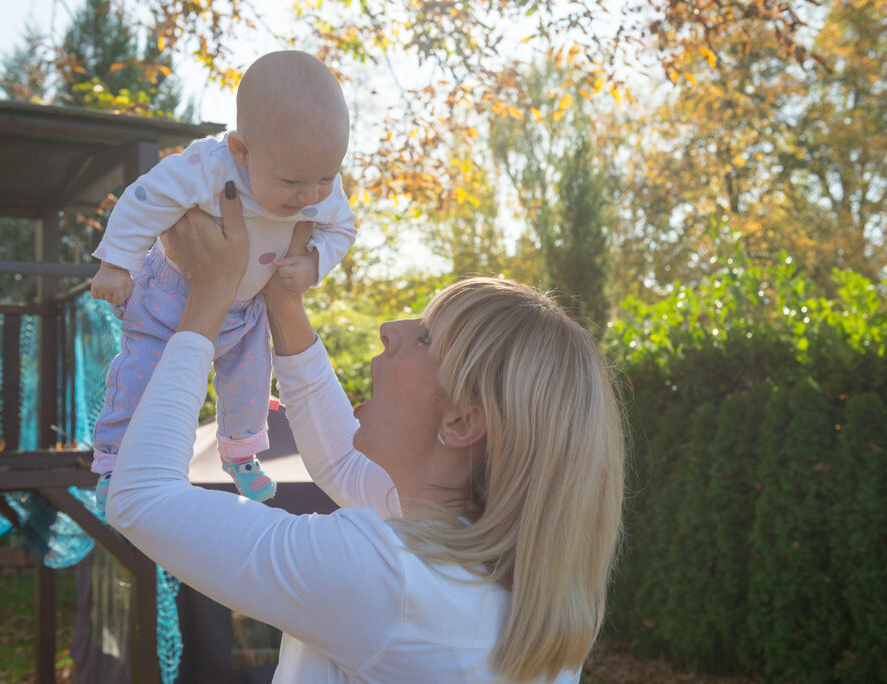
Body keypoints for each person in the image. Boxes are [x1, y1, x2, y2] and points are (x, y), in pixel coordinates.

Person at [105, 190, 626, 682]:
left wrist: (209, 296)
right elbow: (340, 462)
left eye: (426, 337)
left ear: (461, 423)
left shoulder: (388, 578)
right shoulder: (483, 574)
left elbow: (143, 498)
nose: (390, 328)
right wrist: (283, 300)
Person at [88, 50, 356, 510]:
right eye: (292, 182)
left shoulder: (316, 186)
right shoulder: (207, 168)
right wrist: (117, 263)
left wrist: (314, 263)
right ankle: (114, 461)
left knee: (251, 385)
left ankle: (241, 455)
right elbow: (145, 200)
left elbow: (342, 228)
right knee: (139, 376)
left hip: (247, 309)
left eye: (326, 178)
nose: (310, 196)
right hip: (171, 298)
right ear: (241, 151)